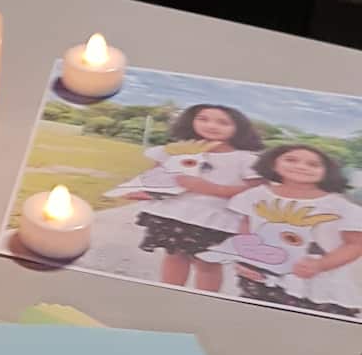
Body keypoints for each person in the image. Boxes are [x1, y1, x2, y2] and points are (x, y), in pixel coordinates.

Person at [108, 104, 262, 293]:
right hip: (172, 214)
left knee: (206, 264)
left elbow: (256, 191)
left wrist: (214, 189)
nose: (211, 125)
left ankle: (203, 300)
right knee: (174, 255)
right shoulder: (176, 150)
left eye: (223, 122)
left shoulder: (245, 159)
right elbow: (157, 176)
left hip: (213, 221)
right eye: (203, 119)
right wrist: (144, 191)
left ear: (239, 127)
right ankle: (170, 294)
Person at [202, 144, 362, 318]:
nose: (301, 166)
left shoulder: (341, 207)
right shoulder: (254, 195)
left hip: (317, 289)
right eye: (291, 160)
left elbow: (355, 244)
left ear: (327, 172)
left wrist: (321, 264)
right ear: (273, 163)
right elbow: (246, 229)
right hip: (260, 280)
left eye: (313, 164)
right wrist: (244, 260)